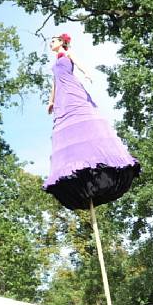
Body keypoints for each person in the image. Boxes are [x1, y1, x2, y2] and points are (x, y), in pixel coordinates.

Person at [43, 33, 140, 209]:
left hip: (72, 89)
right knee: (66, 123)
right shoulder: (54, 63)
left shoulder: (67, 54)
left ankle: (93, 158)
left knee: (81, 116)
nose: (51, 44)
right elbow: (54, 84)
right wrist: (51, 101)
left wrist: (87, 73)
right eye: (51, 42)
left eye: (53, 41)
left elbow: (79, 64)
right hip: (62, 95)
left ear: (61, 43)